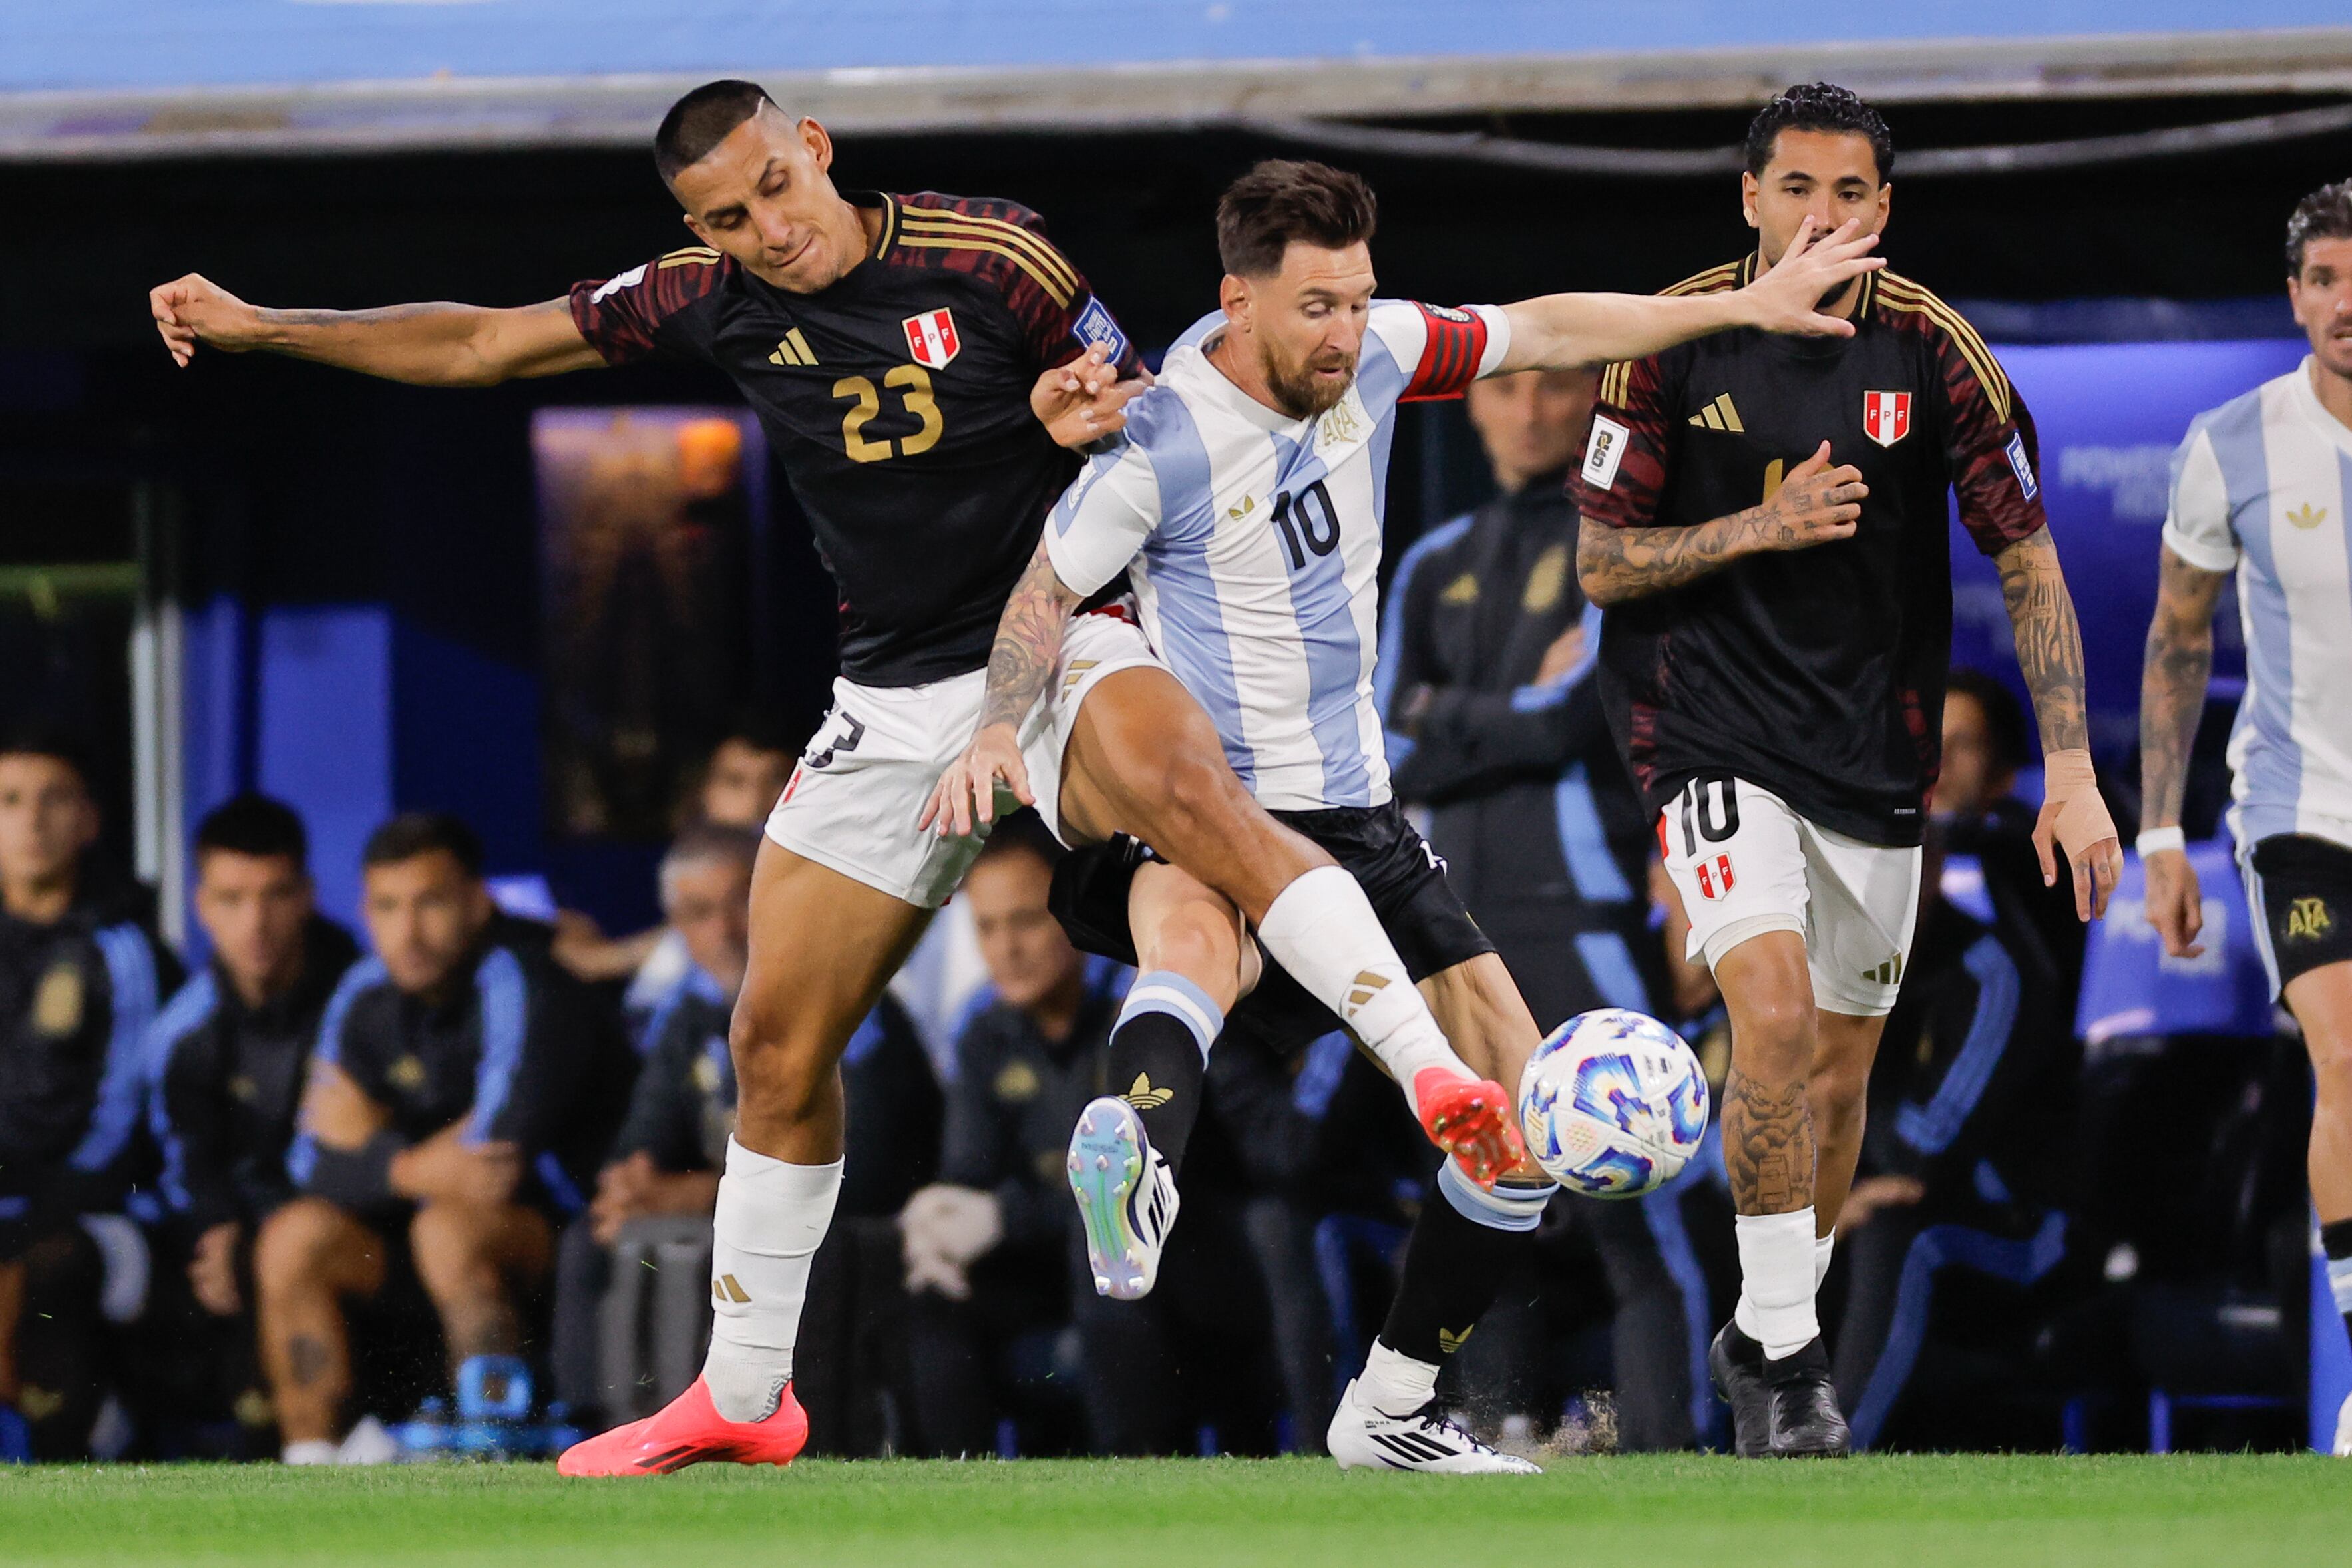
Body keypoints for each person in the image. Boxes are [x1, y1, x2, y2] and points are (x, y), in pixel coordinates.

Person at [152, 81, 1514, 1477]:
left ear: (817, 146)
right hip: (886, 698)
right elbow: (490, 344)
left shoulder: (996, 257)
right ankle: (746, 1393)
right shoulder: (701, 291)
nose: (762, 231)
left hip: (1054, 643)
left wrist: (1076, 415)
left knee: (1206, 816)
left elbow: (1156, 420)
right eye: (722, 217)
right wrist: (267, 324)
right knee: (771, 1040)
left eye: (772, 192)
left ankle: (1430, 1081)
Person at [930, 158, 1885, 1471]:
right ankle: (1147, 1164)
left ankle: (1382, 1396)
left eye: (1356, 299)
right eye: (1314, 305)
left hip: (1360, 814)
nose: (1342, 329)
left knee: (1525, 1118)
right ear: (1238, 297)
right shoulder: (1162, 436)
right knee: (1201, 936)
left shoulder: (1376, 352)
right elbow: (1044, 592)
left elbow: (1545, 327)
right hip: (1217, 798)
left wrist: (1744, 309)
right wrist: (994, 721)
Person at [1569, 82, 2120, 1457]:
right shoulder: (1669, 340)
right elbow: (1599, 561)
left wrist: (2071, 768)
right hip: (1702, 731)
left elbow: (2028, 554)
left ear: (1885, 209)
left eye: (1852, 193)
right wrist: (1758, 525)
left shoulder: (1935, 351)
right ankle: (1798, 1376)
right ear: (1750, 200)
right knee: (1768, 1008)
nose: (1825, 215)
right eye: (1798, 188)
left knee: (1835, 1075)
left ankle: (1763, 1332)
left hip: (1872, 755)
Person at [1380, 366, 1709, 1450]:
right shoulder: (1431, 565)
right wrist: (1496, 718)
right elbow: (1381, 743)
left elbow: (1574, 724)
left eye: (1552, 388)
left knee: (1635, 1210)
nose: (1526, 410)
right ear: (1468, 405)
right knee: (1484, 1203)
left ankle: (1684, 1464)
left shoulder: (1609, 550)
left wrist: (1448, 718)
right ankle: (1490, 1445)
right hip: (1451, 931)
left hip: (1581, 922)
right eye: (1504, 389)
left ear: (1587, 405)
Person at [2137, 176, 2352, 1457]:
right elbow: (2174, 640)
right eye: (2322, 278)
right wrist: (2158, 834)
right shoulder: (2229, 441)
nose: (2344, 302)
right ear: (2291, 296)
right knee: (2347, 1052)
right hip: (2297, 809)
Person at [256, 814, 632, 1463]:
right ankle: (311, 1461)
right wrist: (412, 1165)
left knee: (450, 1227)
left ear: (476, 902)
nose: (409, 930)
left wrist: (374, 1143)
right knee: (294, 1235)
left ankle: (494, 1446)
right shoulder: (363, 990)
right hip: (411, 1237)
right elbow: (310, 1161)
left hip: (558, 1244)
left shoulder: (523, 978)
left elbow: (493, 1163)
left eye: (430, 902)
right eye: (388, 905)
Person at [900, 821, 1276, 1456]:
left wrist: (1006, 1215)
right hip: (1044, 1272)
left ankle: (1135, 1489)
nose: (1005, 949)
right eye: (986, 928)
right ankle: (951, 1506)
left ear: (1074, 920)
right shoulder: (985, 1034)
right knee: (930, 1295)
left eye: (1024, 921)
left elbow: (1170, 1178)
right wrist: (935, 1223)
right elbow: (970, 1179)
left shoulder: (1148, 1014)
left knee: (1102, 1237)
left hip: (1185, 1267)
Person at [1825, 825, 2070, 1450]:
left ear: (1929, 870)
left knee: (1903, 1235)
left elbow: (1921, 1154)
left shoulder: (1988, 973)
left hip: (2016, 1228)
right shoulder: (1819, 966)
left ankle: (1828, 1463)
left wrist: (1845, 1068)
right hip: (1861, 1198)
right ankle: (1705, 1444)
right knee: (1749, 1215)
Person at [143, 794, 360, 1450]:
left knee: (288, 1244)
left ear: (308, 896)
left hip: (358, 1231)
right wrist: (215, 1226)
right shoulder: (181, 1033)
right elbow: (182, 1157)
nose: (255, 923)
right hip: (244, 1240)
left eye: (275, 895)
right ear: (201, 905)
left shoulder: (364, 999)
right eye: (232, 899)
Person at [0, 729, 179, 1458]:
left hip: (108, 1212)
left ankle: (80, 1447)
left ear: (90, 820)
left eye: (54, 799)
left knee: (44, 1263)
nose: (32, 821)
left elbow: (121, 1114)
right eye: (10, 801)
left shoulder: (124, 948)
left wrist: (23, 1213)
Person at [1936, 668, 2082, 998]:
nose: (1939, 760)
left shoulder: (2034, 856)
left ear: (2003, 771)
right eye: (1929, 740)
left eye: (1964, 744)